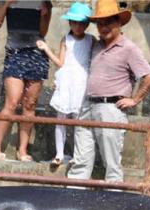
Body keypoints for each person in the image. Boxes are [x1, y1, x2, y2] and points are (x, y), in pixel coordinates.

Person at [67, 0, 150, 184]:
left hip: (110, 108)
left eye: (108, 22)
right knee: (80, 161)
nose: (103, 27)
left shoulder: (128, 48)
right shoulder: (97, 45)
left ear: (119, 23)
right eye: (100, 23)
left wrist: (134, 100)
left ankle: (113, 205)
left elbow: (149, 77)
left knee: (112, 164)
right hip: (87, 105)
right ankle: (74, 201)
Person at [0, 0, 53, 161]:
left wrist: (44, 15)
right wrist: (5, 5)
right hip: (15, 53)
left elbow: (42, 31)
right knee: (12, 102)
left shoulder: (44, 2)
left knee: (30, 104)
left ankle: (22, 150)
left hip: (37, 54)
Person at [37, 2, 94, 167]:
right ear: (70, 23)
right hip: (67, 80)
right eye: (74, 22)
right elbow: (61, 63)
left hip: (82, 82)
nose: (77, 26)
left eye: (81, 23)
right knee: (61, 119)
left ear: (87, 24)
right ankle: (59, 154)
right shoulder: (66, 39)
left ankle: (78, 154)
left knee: (78, 120)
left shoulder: (91, 40)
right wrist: (47, 49)